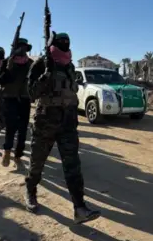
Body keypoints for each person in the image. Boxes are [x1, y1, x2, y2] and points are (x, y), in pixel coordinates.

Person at [25, 32, 100, 224]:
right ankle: (31, 191)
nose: (65, 47)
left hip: (67, 123)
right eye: (61, 45)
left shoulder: (69, 65)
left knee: (73, 166)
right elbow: (31, 93)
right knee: (37, 162)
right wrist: (45, 77)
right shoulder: (41, 64)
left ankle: (80, 208)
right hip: (46, 122)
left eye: (67, 45)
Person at [0, 38, 33, 168]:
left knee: (23, 130)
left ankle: (18, 156)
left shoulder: (30, 63)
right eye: (20, 47)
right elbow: (1, 80)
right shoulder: (7, 62)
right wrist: (8, 70)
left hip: (24, 99)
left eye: (25, 47)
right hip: (10, 98)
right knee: (10, 128)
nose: (23, 50)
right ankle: (7, 151)